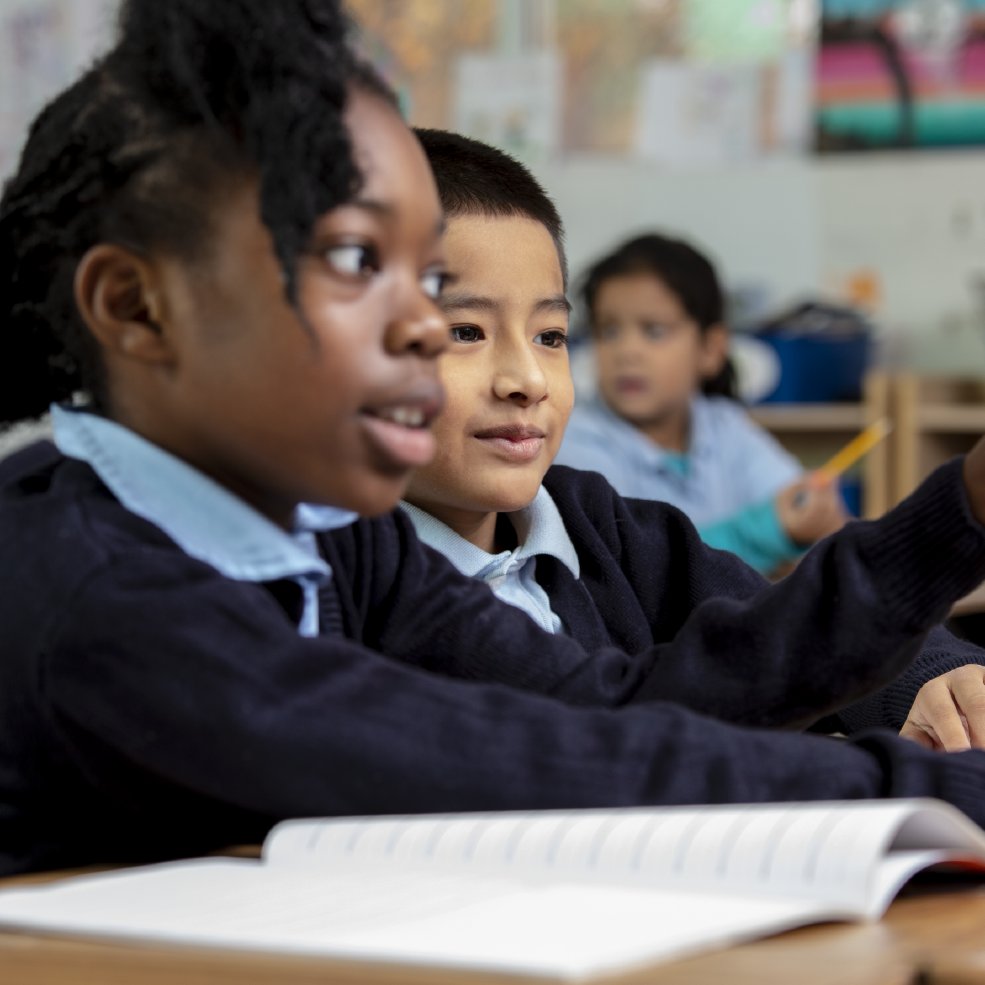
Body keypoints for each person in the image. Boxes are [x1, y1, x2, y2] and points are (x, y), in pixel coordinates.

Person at [3, 0, 985, 880]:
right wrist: (937, 795)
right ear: (134, 307)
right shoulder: (98, 593)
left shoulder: (339, 541)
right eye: (358, 260)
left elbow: (615, 711)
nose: (425, 329)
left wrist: (962, 512)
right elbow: (541, 764)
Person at [402, 126, 985, 746]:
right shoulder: (347, 588)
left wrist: (932, 677)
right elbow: (614, 742)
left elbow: (772, 627)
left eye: (551, 336)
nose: (527, 380)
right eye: (465, 331)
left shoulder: (601, 526)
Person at [553, 232, 848, 575]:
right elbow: (634, 571)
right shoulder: (575, 443)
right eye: (609, 331)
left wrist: (816, 513)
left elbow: (794, 500)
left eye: (654, 330)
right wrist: (761, 533)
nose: (627, 352)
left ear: (710, 349)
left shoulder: (724, 427)